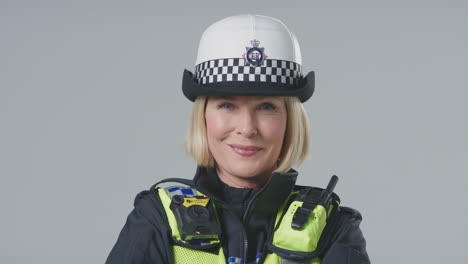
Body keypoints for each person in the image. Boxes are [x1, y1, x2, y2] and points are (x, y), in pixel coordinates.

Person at [106, 14, 371, 264]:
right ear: (203, 117)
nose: (247, 128)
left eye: (266, 106)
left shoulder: (332, 227)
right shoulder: (156, 218)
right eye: (227, 105)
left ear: (291, 120)